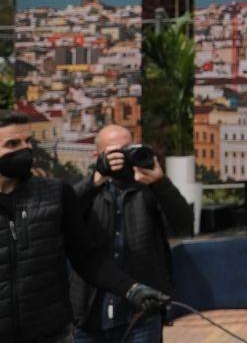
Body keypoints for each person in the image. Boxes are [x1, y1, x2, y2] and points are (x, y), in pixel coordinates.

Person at [0, 111, 169, 343]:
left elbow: (86, 257)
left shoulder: (55, 193)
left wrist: (133, 290)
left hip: (51, 333)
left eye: (28, 141)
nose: (25, 149)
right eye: (12, 143)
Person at [70, 124, 194, 342]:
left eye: (128, 149)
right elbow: (63, 216)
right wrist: (95, 182)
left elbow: (183, 224)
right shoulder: (89, 191)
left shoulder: (148, 189)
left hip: (140, 312)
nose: (123, 157)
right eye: (115, 152)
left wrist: (160, 183)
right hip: (90, 311)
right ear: (97, 155)